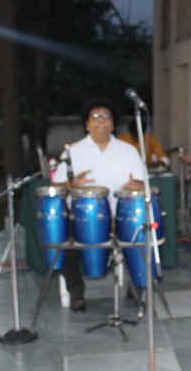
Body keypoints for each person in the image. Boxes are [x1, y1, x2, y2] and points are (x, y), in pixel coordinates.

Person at [52, 98, 145, 311]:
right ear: (86, 124)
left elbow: (142, 182)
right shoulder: (72, 152)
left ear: (113, 124)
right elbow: (56, 187)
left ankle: (137, 284)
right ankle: (76, 291)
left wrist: (137, 185)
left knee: (138, 237)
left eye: (106, 117)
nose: (101, 121)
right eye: (95, 117)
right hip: (81, 218)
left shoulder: (128, 151)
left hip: (119, 215)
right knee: (65, 244)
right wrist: (71, 184)